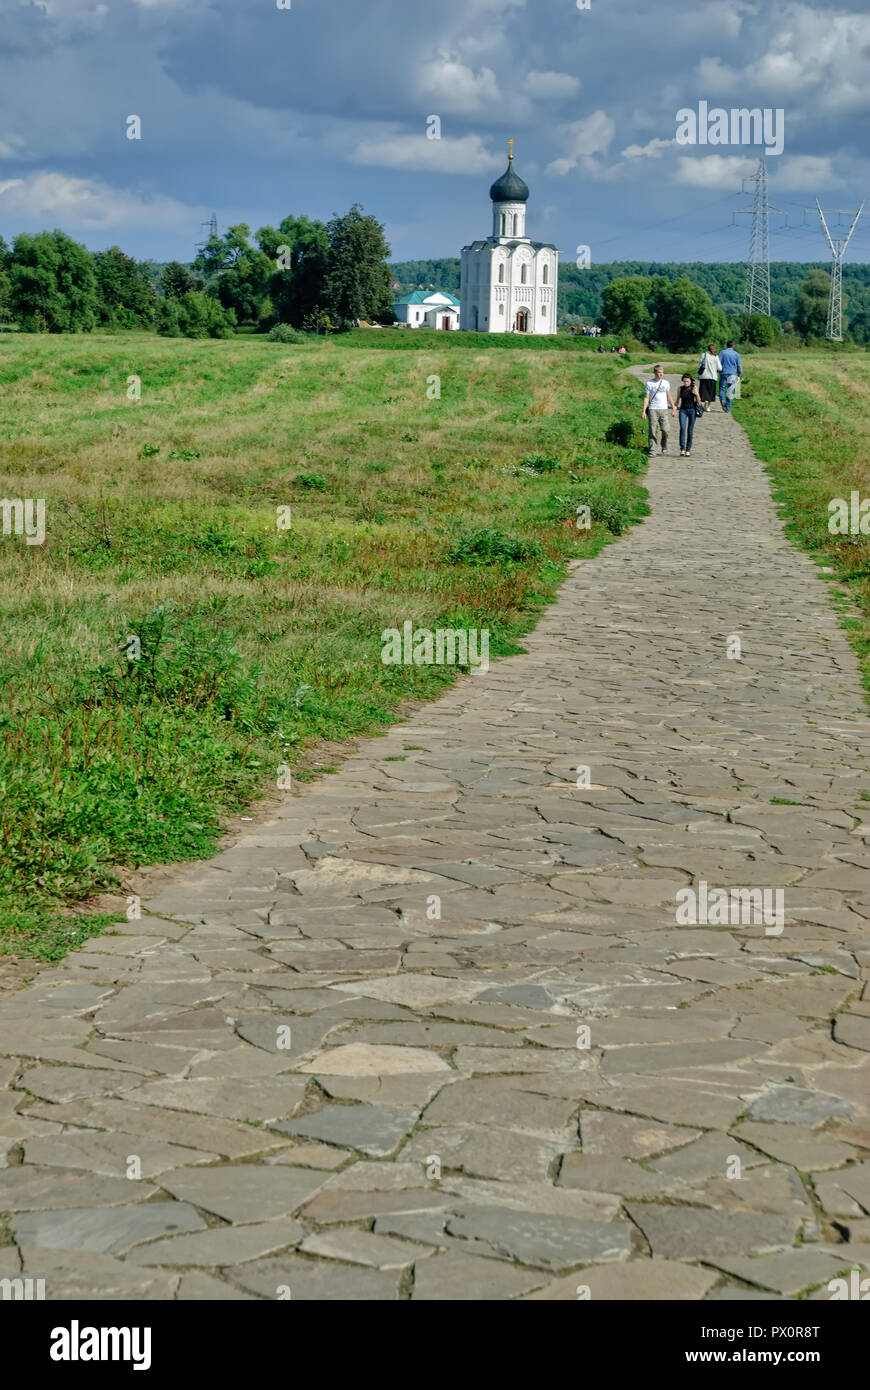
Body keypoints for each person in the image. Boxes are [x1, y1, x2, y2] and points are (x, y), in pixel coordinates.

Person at [642, 364, 676, 456]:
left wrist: (673, 407)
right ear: (655, 373)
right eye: (659, 372)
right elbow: (646, 398)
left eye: (662, 372)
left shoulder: (666, 383)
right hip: (653, 409)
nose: (661, 374)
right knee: (652, 430)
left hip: (664, 409)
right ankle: (653, 450)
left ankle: (664, 445)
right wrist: (644, 411)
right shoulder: (649, 383)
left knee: (666, 429)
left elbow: (669, 396)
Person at [677, 373, 702, 456]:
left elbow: (698, 401)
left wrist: (697, 394)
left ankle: (688, 449)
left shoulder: (694, 388)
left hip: (692, 410)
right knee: (682, 428)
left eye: (687, 381)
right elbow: (677, 400)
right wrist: (674, 408)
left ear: (691, 381)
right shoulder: (680, 389)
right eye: (684, 381)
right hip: (683, 410)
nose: (686, 383)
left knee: (690, 430)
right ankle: (682, 449)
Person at [718, 340, 742, 413]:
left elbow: (718, 363)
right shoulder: (736, 354)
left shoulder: (722, 352)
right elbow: (739, 365)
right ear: (733, 346)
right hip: (732, 374)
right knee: (730, 390)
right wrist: (739, 374)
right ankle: (728, 408)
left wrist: (717, 372)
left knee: (722, 388)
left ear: (726, 345)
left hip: (723, 373)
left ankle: (722, 400)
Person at [697, 343, 721, 412]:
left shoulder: (703, 355)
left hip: (704, 376)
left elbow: (699, 365)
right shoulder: (716, 356)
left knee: (704, 391)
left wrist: (698, 375)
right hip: (713, 377)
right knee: (711, 392)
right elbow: (720, 368)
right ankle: (708, 406)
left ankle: (705, 402)